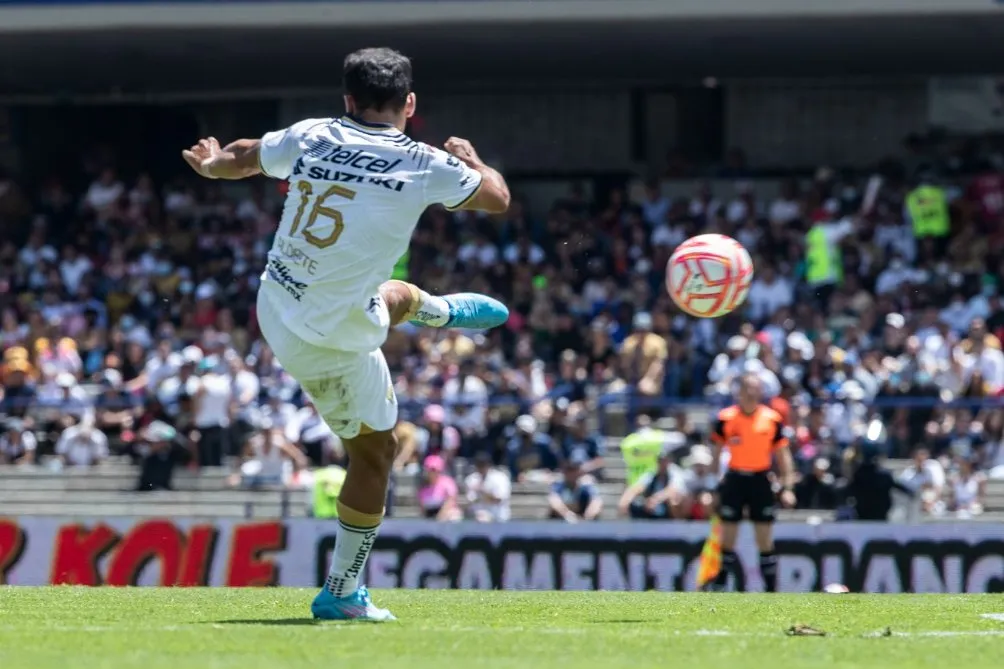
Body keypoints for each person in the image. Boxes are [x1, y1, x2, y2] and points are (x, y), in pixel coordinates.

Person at [181, 47, 510, 621]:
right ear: (410, 103)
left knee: (386, 322)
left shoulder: (311, 133)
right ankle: (341, 593)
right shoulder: (426, 162)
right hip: (337, 333)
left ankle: (428, 309)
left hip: (276, 306)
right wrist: (475, 160)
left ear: (348, 101)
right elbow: (498, 200)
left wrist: (211, 166)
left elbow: (245, 156)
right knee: (376, 449)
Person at [708, 373, 796, 592]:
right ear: (739, 391)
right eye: (747, 388)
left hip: (760, 478)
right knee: (728, 535)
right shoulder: (726, 418)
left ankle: (770, 589)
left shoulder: (772, 419)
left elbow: (783, 455)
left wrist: (787, 487)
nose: (751, 393)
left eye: (755, 389)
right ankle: (719, 586)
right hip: (735, 478)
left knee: (764, 537)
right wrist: (714, 484)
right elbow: (716, 452)